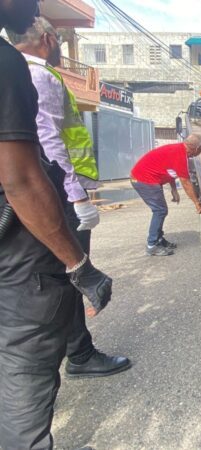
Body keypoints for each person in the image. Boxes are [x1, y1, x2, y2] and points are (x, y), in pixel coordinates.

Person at [0, 1, 112, 449]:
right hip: (37, 214)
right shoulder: (36, 74)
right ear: (48, 39)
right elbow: (30, 167)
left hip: (40, 205)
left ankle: (80, 354)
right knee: (34, 326)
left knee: (60, 291)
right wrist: (78, 255)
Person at [9, 18, 131, 379]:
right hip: (51, 192)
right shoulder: (39, 74)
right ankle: (78, 355)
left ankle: (69, 352)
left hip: (25, 192)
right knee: (71, 271)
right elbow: (49, 140)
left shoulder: (12, 71)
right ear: (48, 39)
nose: (61, 46)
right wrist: (76, 196)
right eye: (60, 39)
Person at [130, 134, 201, 256]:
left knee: (161, 210)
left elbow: (170, 169)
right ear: (196, 149)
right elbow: (186, 182)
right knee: (160, 210)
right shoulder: (180, 155)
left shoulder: (179, 149)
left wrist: (174, 190)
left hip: (145, 178)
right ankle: (152, 245)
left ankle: (158, 240)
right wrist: (197, 203)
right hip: (143, 179)